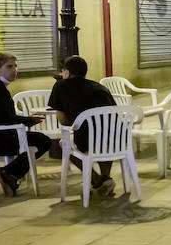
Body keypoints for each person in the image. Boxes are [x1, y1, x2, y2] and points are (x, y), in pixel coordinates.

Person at [0, 52, 52, 196]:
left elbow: (2, 116)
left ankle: (9, 172)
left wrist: (26, 120)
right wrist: (29, 120)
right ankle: (8, 172)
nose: (14, 70)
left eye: (15, 66)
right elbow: (4, 119)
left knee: (37, 139)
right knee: (43, 141)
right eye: (9, 66)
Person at [47, 56, 119, 196]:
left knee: (65, 145)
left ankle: (95, 178)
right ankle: (105, 178)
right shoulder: (100, 87)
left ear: (66, 72)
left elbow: (63, 121)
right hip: (115, 139)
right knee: (103, 136)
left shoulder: (60, 86)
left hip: (85, 140)